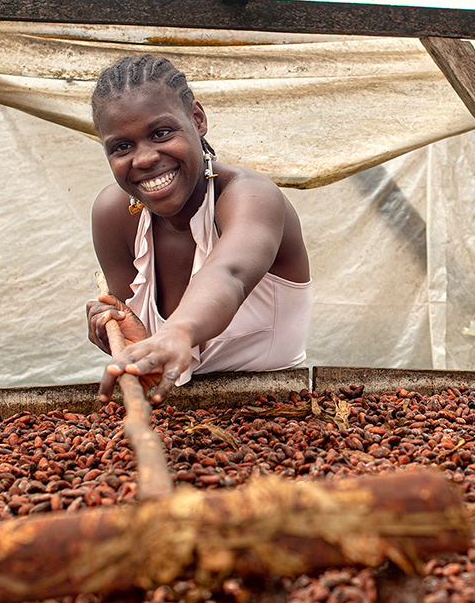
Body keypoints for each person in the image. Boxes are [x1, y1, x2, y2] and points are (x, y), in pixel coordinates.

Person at [85, 54, 312, 404]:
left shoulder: (251, 196)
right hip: (174, 426)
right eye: (122, 147)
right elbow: (154, 364)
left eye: (161, 133)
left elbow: (230, 274)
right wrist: (133, 340)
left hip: (280, 419)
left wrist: (177, 330)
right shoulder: (114, 215)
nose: (144, 158)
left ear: (197, 119)